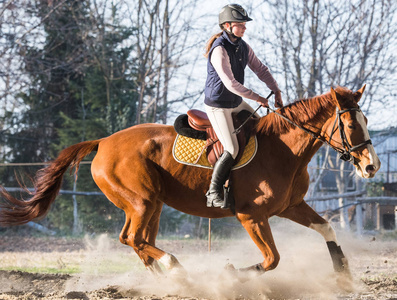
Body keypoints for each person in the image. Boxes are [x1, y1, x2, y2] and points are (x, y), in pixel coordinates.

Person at [204, 3, 283, 208]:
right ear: (227, 25)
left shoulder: (243, 46)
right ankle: (213, 191)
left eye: (244, 24)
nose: (245, 28)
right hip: (218, 106)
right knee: (231, 148)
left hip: (236, 102)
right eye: (241, 24)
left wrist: (276, 90)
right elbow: (231, 84)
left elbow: (261, 70)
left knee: (264, 128)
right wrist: (258, 97)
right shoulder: (219, 50)